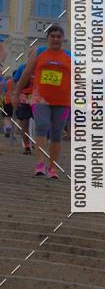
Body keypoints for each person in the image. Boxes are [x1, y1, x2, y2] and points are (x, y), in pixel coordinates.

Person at [12, 24, 71, 178]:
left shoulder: (70, 56)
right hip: (40, 99)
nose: (56, 39)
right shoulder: (39, 52)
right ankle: (40, 163)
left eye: (59, 36)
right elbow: (26, 73)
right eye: (52, 36)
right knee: (42, 126)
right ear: (48, 38)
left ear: (63, 39)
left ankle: (52, 167)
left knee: (57, 134)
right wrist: (17, 93)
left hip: (63, 101)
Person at [12, 63, 34, 154]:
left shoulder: (42, 65)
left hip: (38, 99)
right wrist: (16, 93)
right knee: (24, 123)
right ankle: (27, 147)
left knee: (40, 124)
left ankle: (38, 145)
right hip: (24, 98)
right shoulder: (22, 67)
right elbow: (14, 80)